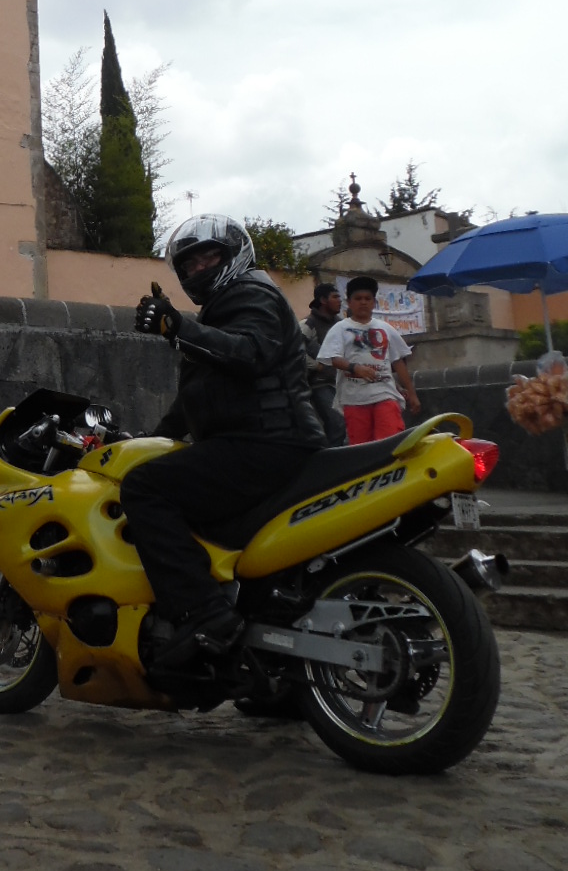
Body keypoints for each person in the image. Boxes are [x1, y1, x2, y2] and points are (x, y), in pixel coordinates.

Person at [127, 214, 324, 669]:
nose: (198, 269)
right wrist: (146, 440)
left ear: (234, 255)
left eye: (209, 257)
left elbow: (247, 352)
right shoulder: (224, 307)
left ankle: (205, 615)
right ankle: (273, 674)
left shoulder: (249, 293)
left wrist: (179, 329)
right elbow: (198, 397)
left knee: (144, 488)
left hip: (265, 443)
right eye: (189, 264)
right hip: (267, 443)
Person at [316, 274, 421, 442]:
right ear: (349, 302)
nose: (363, 302)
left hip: (384, 393)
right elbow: (332, 358)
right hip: (354, 397)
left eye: (367, 298)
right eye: (358, 298)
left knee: (390, 441)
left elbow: (398, 362)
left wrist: (412, 393)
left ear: (374, 302)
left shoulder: (386, 329)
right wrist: (354, 368)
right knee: (362, 446)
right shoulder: (340, 329)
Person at [302, 282, 348, 445]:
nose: (339, 301)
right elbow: (294, 349)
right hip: (320, 384)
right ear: (323, 300)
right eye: (335, 297)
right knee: (337, 423)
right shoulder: (309, 324)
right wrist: (317, 366)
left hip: (340, 382)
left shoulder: (341, 325)